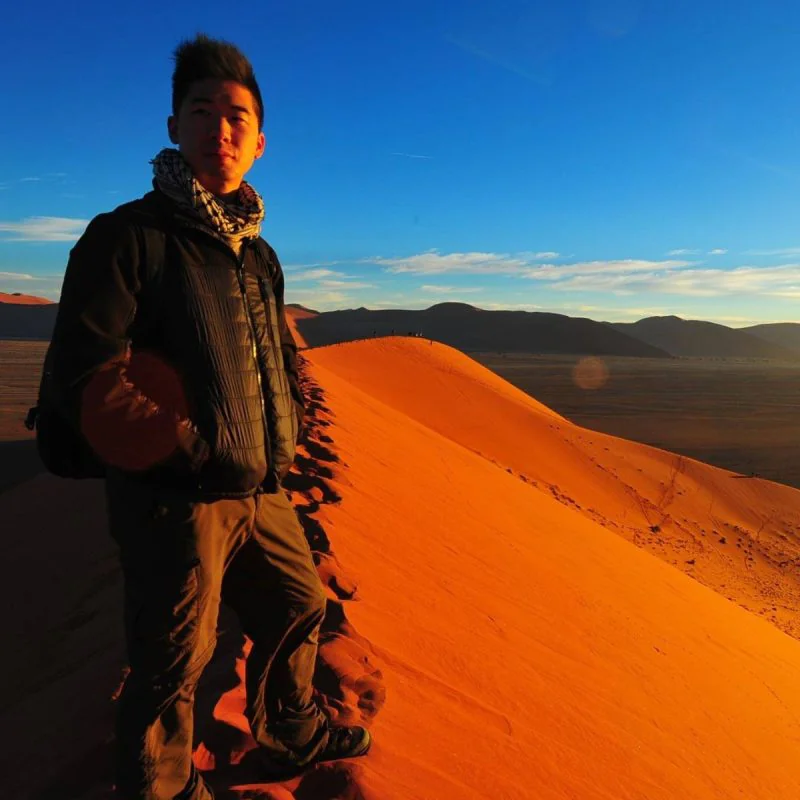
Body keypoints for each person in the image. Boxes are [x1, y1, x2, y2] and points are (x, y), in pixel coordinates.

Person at [48, 33, 371, 800]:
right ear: (173, 127)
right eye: (202, 112)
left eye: (236, 117)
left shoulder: (257, 255)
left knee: (300, 602)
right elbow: (86, 376)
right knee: (173, 659)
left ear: (259, 142)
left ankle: (288, 731)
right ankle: (158, 788)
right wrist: (187, 449)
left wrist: (280, 435)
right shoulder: (127, 237)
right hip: (174, 496)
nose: (219, 131)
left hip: (258, 485)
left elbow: (271, 361)